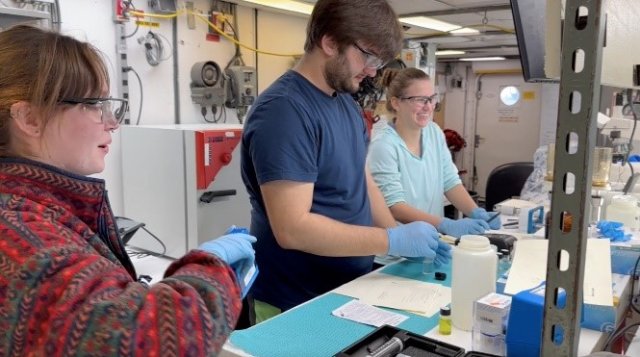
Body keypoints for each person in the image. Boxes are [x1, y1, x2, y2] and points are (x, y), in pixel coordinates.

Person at [0, 25, 255, 355]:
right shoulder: (19, 234)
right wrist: (212, 267)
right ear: (30, 118)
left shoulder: (41, 208)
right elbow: (147, 339)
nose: (113, 122)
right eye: (94, 104)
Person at [241, 0, 452, 323]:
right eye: (368, 56)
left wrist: (397, 234)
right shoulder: (284, 111)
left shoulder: (346, 104)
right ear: (329, 42)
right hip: (293, 301)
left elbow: (363, 180)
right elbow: (292, 228)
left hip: (350, 288)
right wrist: (391, 239)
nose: (373, 70)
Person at [367, 68, 501, 239]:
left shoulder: (433, 132)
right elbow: (394, 206)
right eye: (420, 100)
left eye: (431, 99)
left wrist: (474, 211)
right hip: (398, 247)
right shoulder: (384, 146)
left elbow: (450, 181)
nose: (428, 107)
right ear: (396, 103)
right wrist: (445, 224)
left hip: (431, 241)